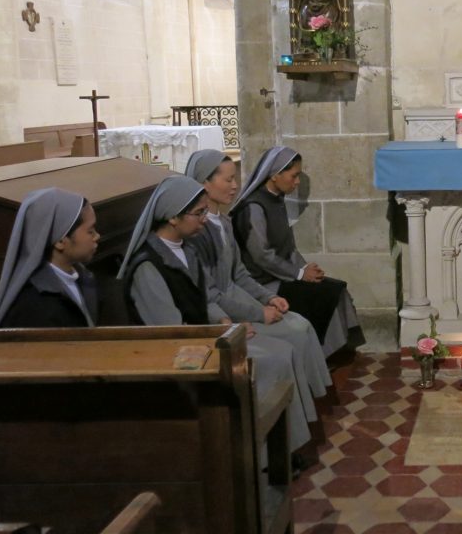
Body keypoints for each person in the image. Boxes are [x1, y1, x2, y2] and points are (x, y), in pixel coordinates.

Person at [117, 175, 320, 455]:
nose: (204, 219)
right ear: (173, 218)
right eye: (198, 213)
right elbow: (171, 332)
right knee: (272, 360)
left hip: (206, 338)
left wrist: (224, 322)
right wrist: (225, 331)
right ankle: (261, 455)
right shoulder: (149, 267)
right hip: (181, 357)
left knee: (281, 351)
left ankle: (283, 450)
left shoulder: (186, 249)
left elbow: (204, 298)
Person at [185, 149, 332, 400]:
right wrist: (257, 313)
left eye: (235, 179)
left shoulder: (224, 222)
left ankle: (317, 403)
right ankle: (294, 416)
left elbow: (239, 273)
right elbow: (212, 293)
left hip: (241, 298)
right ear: (203, 184)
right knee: (292, 336)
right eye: (228, 180)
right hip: (227, 313)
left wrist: (267, 298)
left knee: (302, 325)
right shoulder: (198, 233)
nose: (235, 186)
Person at [231, 146, 364, 356]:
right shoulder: (254, 207)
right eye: (294, 176)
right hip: (263, 282)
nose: (297, 182)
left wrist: (305, 268)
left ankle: (340, 349)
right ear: (275, 175)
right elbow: (262, 255)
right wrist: (300, 275)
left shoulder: (277, 200)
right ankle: (323, 356)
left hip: (283, 275)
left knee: (337, 289)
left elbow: (288, 247)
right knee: (322, 296)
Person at [0, 188, 99, 329]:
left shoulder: (83, 277)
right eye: (90, 231)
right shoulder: (36, 304)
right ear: (60, 241)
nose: (97, 236)